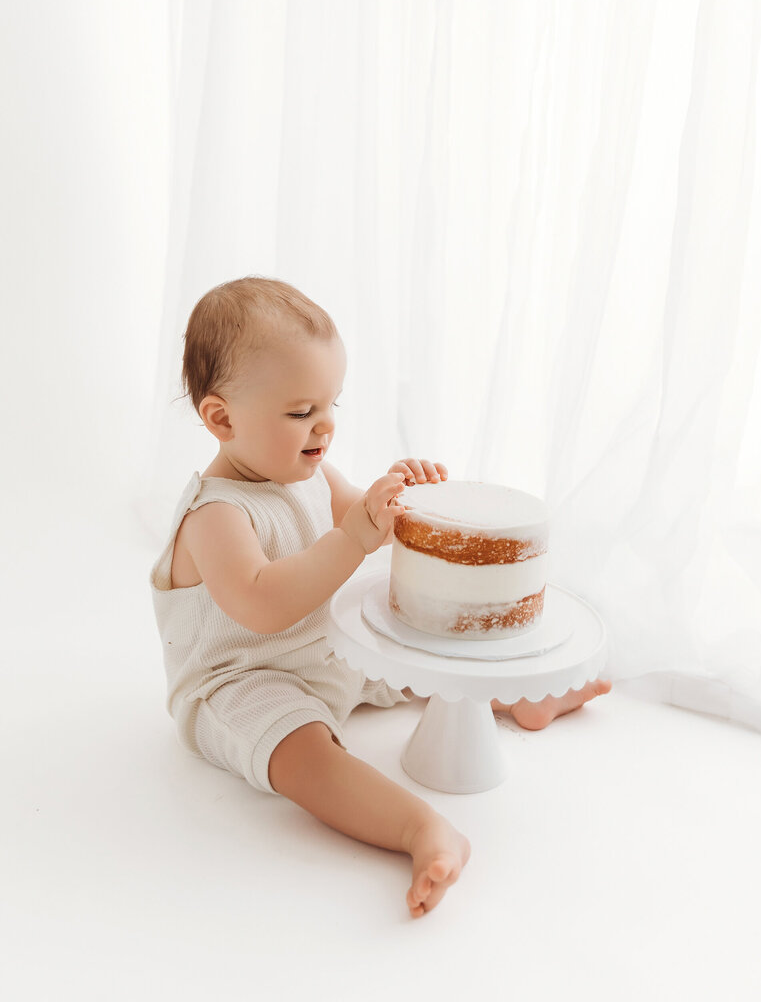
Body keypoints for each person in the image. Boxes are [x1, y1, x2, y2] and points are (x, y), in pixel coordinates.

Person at [150, 276, 611, 918]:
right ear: (222, 418)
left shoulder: (305, 470)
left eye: (332, 403)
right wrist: (352, 537)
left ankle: (523, 697)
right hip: (242, 681)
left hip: (321, 653)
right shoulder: (216, 515)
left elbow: (365, 522)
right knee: (302, 753)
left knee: (418, 658)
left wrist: (397, 498)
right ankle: (419, 828)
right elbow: (263, 603)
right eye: (300, 411)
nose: (326, 426)